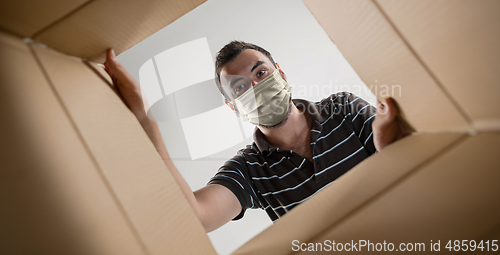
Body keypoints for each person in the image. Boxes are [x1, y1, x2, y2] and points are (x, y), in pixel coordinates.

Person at [103, 41, 408, 232]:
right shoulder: (248, 170)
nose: (255, 87)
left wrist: (388, 148)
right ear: (232, 106)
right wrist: (145, 120)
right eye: (239, 88)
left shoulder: (343, 108)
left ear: (281, 74)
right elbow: (197, 218)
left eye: (260, 73)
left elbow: (408, 164)